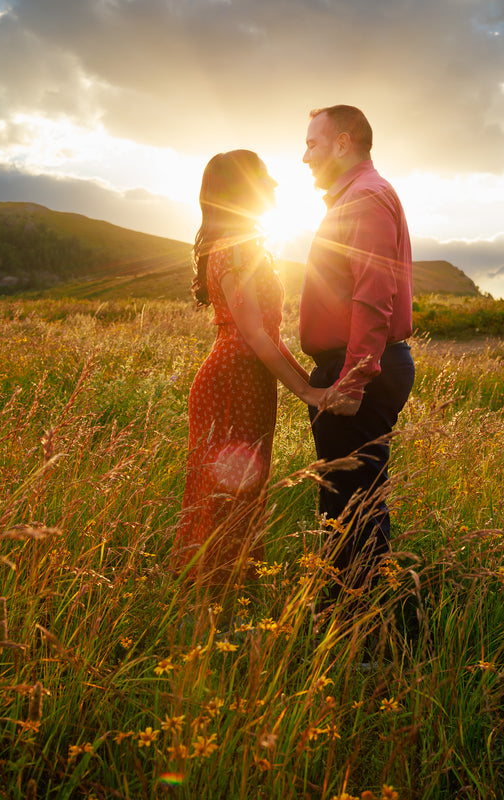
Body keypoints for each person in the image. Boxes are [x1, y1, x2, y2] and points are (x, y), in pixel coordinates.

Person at [173, 150, 327, 586]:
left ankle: (229, 593)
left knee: (242, 490)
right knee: (225, 493)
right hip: (232, 379)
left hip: (250, 379)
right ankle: (206, 598)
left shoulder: (245, 247)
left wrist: (309, 384)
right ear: (242, 189)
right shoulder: (235, 251)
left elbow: (269, 338)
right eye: (265, 176)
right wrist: (310, 394)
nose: (275, 184)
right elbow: (257, 336)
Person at [300, 105, 415, 595]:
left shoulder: (364, 198)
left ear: (343, 143)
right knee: (351, 503)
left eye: (312, 143)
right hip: (357, 365)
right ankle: (350, 625)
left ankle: (360, 639)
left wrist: (352, 377)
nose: (304, 156)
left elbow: (374, 294)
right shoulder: (357, 195)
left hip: (358, 370)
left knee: (353, 509)